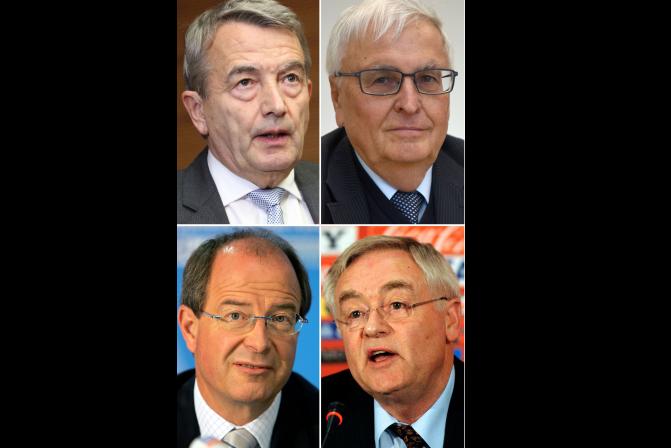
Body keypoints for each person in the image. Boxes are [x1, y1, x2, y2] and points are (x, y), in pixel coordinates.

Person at [321, 0, 464, 224]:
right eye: (382, 80)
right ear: (337, 97)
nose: (409, 105)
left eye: (427, 79)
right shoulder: (311, 190)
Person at [178, 0, 318, 224]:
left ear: (308, 92)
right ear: (198, 111)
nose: (277, 106)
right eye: (245, 82)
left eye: (290, 78)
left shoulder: (335, 187)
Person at [177, 229, 318, 447]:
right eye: (235, 316)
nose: (259, 343)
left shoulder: (329, 427)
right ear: (190, 328)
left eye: (280, 319)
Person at [321, 235, 463, 447]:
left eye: (396, 305)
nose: (372, 328)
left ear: (450, 320)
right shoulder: (317, 413)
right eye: (355, 313)